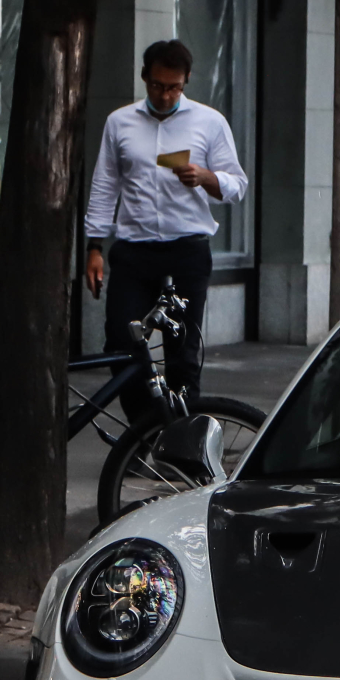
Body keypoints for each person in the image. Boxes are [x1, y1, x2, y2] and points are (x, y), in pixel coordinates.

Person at [84, 39, 248, 424]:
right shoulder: (119, 122)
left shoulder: (209, 122)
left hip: (187, 250)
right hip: (133, 251)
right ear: (145, 78)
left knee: (183, 351)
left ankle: (182, 440)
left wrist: (207, 177)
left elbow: (237, 184)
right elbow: (104, 186)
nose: (165, 94)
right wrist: (94, 246)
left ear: (186, 81)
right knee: (124, 345)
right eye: (158, 85)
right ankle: (143, 433)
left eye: (174, 86)